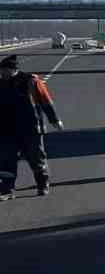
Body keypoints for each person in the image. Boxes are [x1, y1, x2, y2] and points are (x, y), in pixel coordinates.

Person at [0, 54, 62, 200]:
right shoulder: (1, 83)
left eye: (4, 71)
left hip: (31, 128)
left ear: (13, 69)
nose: (2, 74)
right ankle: (6, 190)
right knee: (6, 160)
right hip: (6, 129)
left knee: (36, 158)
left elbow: (45, 101)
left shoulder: (31, 81)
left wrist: (54, 120)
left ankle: (42, 185)